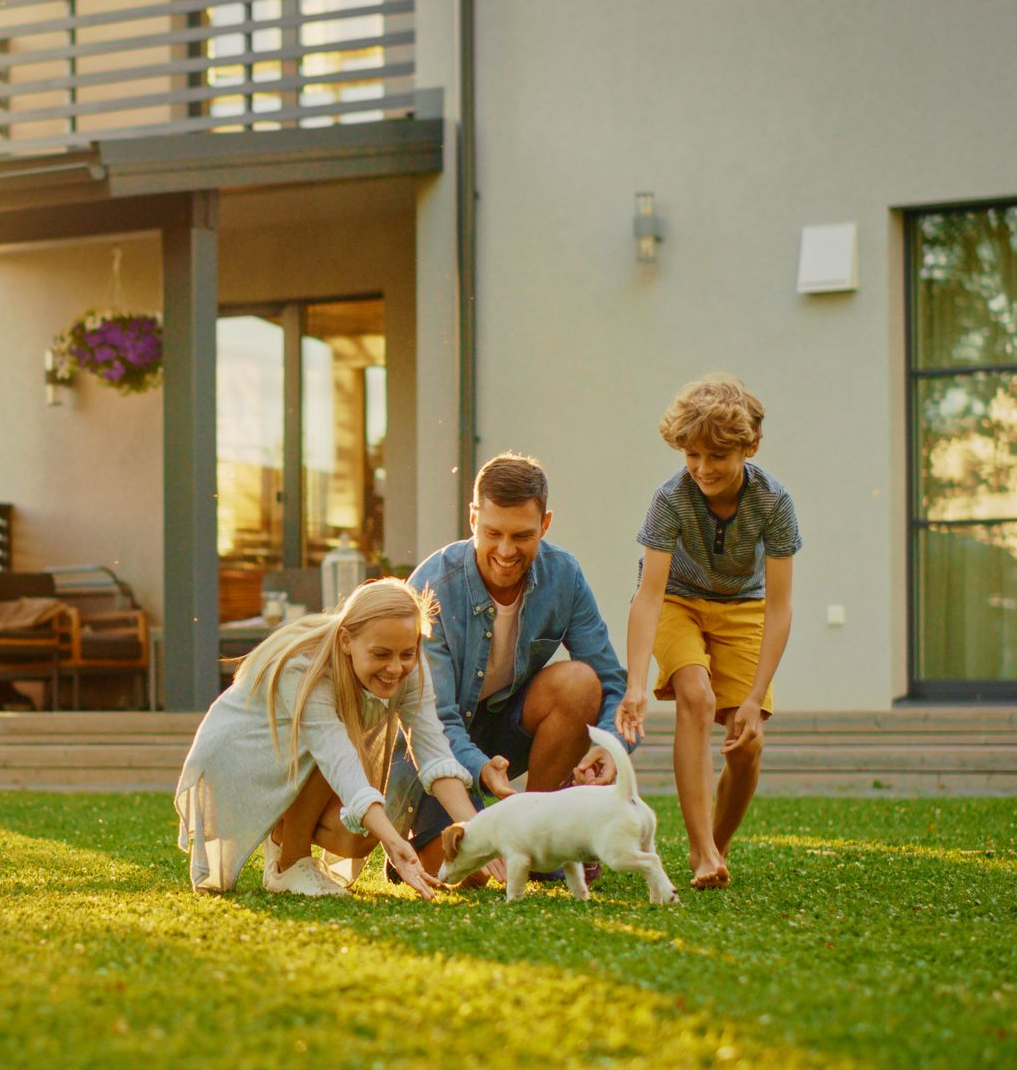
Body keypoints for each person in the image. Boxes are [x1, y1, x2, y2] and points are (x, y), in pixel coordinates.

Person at [388, 453, 630, 880]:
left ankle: (539, 838)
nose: (505, 550)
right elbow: (436, 720)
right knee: (472, 874)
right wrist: (480, 769)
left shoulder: (564, 577)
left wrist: (610, 748)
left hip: (504, 728)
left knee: (579, 682)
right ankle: (420, 842)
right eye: (492, 532)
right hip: (432, 745)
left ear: (546, 525)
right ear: (472, 518)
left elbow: (612, 683)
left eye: (522, 536)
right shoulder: (432, 585)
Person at [606, 375, 800, 889]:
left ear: (749, 447)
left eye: (716, 457)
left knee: (746, 740)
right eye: (692, 455)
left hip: (745, 607)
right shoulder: (670, 499)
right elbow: (648, 596)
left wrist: (756, 698)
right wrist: (635, 684)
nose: (702, 469)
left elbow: (779, 607)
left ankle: (718, 842)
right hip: (677, 602)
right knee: (695, 694)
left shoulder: (774, 502)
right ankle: (700, 851)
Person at [175, 578, 479, 898]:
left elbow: (434, 753)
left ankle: (282, 836)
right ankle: (288, 864)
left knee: (357, 838)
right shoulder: (306, 667)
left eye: (407, 652)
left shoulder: (408, 665)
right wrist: (395, 842)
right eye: (381, 654)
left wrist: (481, 835)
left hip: (302, 758)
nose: (395, 667)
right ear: (347, 640)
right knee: (344, 767)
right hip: (242, 758)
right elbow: (336, 758)